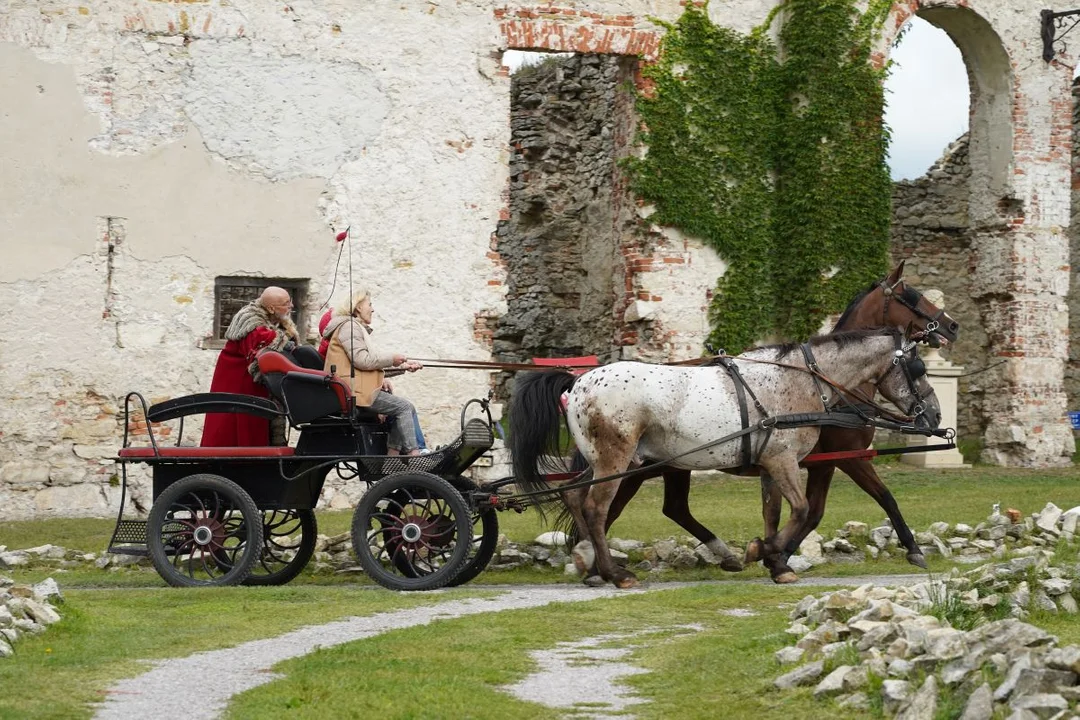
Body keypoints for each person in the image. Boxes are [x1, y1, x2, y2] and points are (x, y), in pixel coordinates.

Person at [322, 290, 424, 455]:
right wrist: (393, 358)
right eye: (370, 304)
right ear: (357, 307)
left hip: (356, 387)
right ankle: (414, 455)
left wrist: (403, 366)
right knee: (404, 407)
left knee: (405, 407)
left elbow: (367, 364)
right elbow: (363, 360)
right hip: (352, 390)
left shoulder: (352, 327)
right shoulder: (349, 327)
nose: (373, 309)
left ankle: (393, 457)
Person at [201, 286, 299, 446]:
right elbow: (263, 342)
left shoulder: (276, 320)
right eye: (287, 303)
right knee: (238, 427)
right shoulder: (250, 321)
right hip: (239, 383)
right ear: (271, 308)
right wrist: (285, 341)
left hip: (254, 385)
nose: (291, 306)